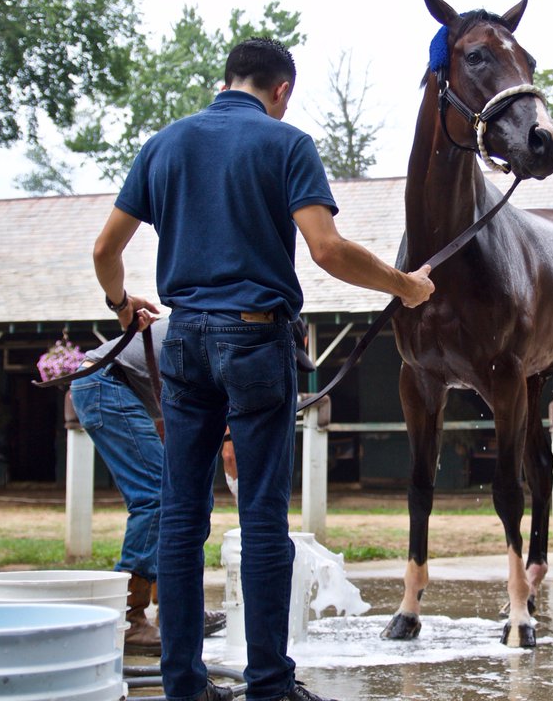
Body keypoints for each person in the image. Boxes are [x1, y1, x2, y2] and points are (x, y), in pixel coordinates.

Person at [92, 37, 434, 701]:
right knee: (261, 516)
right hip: (255, 339)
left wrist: (119, 304)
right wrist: (403, 285)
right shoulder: (286, 145)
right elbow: (328, 250)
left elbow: (106, 247)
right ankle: (269, 685)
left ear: (228, 80)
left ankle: (184, 686)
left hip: (182, 338)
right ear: (281, 90)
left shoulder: (164, 145)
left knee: (184, 518)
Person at [69, 318, 226, 656]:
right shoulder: (223, 334)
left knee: (185, 499)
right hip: (105, 382)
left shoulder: (218, 327)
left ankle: (177, 612)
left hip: (123, 388)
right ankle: (128, 619)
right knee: (156, 495)